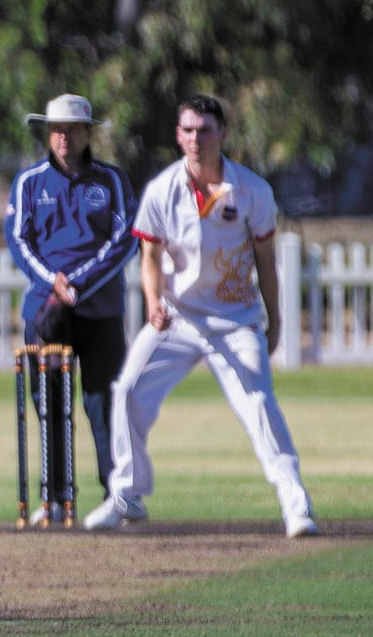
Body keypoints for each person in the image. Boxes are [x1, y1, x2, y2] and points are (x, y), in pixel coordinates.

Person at [83, 94, 318, 538]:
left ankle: (296, 504)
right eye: (188, 130)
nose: (196, 139)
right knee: (128, 390)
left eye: (205, 130)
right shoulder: (162, 190)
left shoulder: (252, 190)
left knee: (259, 404)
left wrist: (275, 321)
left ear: (223, 135)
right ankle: (125, 496)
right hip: (177, 317)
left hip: (235, 318)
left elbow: (266, 261)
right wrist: (153, 302)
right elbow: (149, 256)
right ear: (178, 135)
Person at [6, 94, 139, 525]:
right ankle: (55, 498)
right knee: (50, 406)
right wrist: (54, 284)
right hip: (46, 310)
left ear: (87, 134)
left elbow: (125, 241)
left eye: (72, 129)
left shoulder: (111, 181)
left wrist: (77, 283)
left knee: (105, 404)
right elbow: (19, 241)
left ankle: (116, 496)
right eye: (56, 129)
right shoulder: (30, 182)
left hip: (99, 310)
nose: (63, 137)